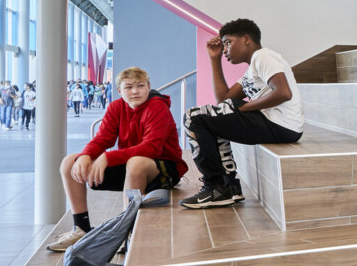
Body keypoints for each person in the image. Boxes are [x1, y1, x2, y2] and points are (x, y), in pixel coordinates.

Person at [45, 67, 187, 252]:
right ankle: (81, 228)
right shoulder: (116, 107)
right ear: (119, 91)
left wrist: (108, 157)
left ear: (148, 87)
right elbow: (103, 139)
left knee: (136, 162)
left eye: (140, 86)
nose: (135, 91)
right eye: (128, 87)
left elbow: (152, 147)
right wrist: (86, 155)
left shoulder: (157, 106)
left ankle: (126, 232)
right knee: (69, 162)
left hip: (165, 168)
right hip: (131, 168)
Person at [182, 18, 305, 209]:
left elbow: (283, 92)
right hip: (275, 124)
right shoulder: (251, 70)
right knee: (216, 115)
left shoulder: (263, 56)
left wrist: (246, 107)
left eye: (227, 43)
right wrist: (215, 59)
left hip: (279, 124)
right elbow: (224, 100)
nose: (224, 50)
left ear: (246, 39)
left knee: (193, 117)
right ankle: (227, 187)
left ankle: (216, 187)